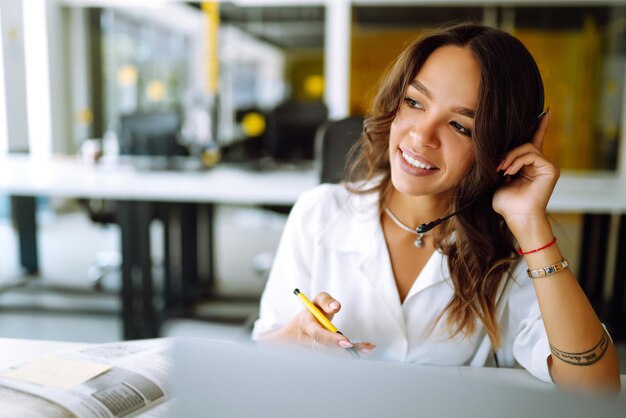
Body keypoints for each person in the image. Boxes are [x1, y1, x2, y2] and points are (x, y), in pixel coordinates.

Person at [251, 22, 621, 392]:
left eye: (460, 126)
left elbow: (595, 388)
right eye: (414, 102)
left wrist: (530, 224)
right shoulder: (319, 212)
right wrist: (298, 336)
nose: (421, 136)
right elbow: (261, 357)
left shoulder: (509, 249)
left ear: (500, 149)